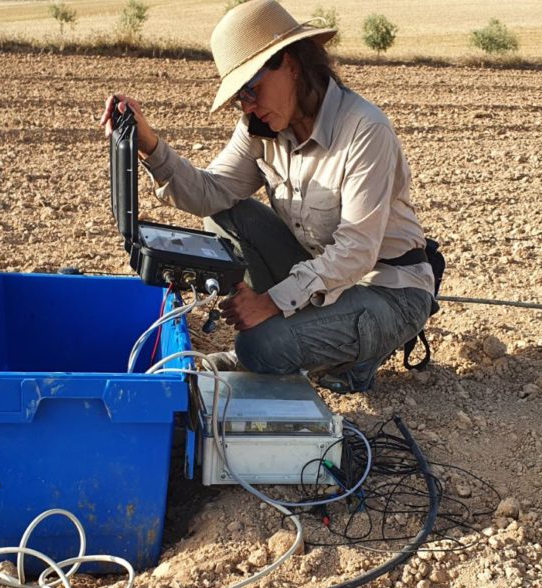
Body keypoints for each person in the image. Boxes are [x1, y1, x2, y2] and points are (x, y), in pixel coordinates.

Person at [100, 0, 435, 393]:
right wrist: (149, 145)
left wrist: (272, 302)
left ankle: (347, 363)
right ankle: (304, 343)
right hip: (322, 274)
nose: (248, 105)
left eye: (252, 89)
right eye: (240, 96)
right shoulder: (260, 126)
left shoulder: (364, 130)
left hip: (389, 289)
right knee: (226, 215)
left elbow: (357, 252)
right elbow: (212, 194)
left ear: (291, 64)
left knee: (260, 345)